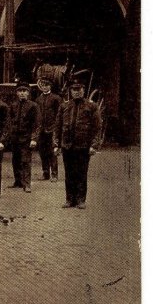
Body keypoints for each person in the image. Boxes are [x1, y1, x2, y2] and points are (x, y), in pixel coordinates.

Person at [53, 77, 102, 209]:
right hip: (67, 146)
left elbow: (97, 128)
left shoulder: (91, 106)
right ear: (70, 91)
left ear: (83, 90)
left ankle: (81, 200)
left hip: (83, 147)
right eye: (74, 90)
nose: (76, 92)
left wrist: (94, 145)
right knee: (69, 174)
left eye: (79, 89)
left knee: (81, 173)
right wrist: (56, 144)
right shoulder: (64, 106)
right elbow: (58, 126)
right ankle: (69, 200)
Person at [9, 81, 40, 192]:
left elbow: (36, 124)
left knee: (26, 161)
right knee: (15, 160)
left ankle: (27, 184)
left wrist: (34, 139)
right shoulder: (13, 105)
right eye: (20, 91)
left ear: (28, 93)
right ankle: (18, 181)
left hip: (26, 138)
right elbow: (10, 121)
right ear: (17, 93)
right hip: (15, 138)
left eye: (24, 91)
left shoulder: (33, 106)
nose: (22, 93)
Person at [35, 77, 62, 181]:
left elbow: (59, 115)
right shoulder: (38, 99)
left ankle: (54, 174)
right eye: (43, 85)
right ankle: (45, 173)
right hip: (41, 129)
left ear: (50, 86)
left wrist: (56, 127)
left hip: (52, 129)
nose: (45, 87)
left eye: (47, 85)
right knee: (42, 152)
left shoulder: (56, 98)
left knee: (52, 151)